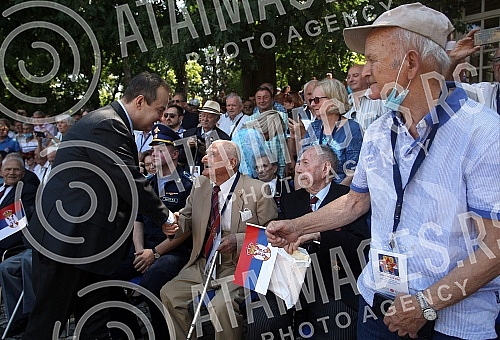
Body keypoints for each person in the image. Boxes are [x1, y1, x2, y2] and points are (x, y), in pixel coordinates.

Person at [267, 3, 500, 339]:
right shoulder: (379, 131)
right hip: (377, 305)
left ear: (410, 64)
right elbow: (354, 202)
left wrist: (427, 303)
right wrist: (296, 226)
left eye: (373, 59)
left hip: (454, 324)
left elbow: (495, 245)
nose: (366, 70)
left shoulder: (484, 133)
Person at [23, 71, 177, 340]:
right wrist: (165, 217)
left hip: (89, 246)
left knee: (94, 320)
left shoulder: (109, 122)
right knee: (49, 323)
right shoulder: (108, 124)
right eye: (160, 109)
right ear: (140, 101)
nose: (161, 118)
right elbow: (129, 179)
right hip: (68, 242)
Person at [247, 145, 369, 339]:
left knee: (339, 327)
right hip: (288, 280)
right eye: (298, 163)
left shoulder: (348, 200)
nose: (298, 169)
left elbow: (361, 247)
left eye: (305, 163)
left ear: (325, 169)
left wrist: (319, 235)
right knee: (261, 322)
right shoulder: (290, 200)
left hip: (332, 281)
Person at [161, 140, 278, 340]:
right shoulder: (200, 185)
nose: (205, 158)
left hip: (242, 263)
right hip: (206, 262)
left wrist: (238, 240)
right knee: (169, 294)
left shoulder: (258, 190)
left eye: (213, 154)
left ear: (231, 162)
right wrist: (172, 225)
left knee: (220, 306)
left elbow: (271, 234)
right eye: (206, 153)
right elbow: (186, 219)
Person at [110, 124, 193, 340]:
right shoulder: (146, 184)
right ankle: (127, 333)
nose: (154, 152)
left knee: (152, 281)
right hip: (144, 249)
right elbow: (137, 220)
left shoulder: (188, 185)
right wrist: (140, 251)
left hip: (173, 252)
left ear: (175, 154)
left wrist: (154, 253)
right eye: (153, 148)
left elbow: (185, 230)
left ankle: (162, 335)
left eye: (161, 148)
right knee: (104, 272)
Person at [0, 154, 40, 337]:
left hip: (12, 243)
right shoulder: (1, 190)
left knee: (7, 267)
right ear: (1, 171)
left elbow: (16, 222)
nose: (11, 173)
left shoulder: (26, 190)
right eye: (8, 169)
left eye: (16, 169)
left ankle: (22, 318)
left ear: (23, 173)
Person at [303, 78, 363, 186]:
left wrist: (331, 197)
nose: (312, 104)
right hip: (311, 191)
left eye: (317, 100)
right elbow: (301, 165)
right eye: (311, 100)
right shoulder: (313, 128)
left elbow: (353, 173)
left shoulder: (352, 129)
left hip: (340, 194)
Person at [183, 100, 230, 169]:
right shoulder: (188, 133)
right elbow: (181, 158)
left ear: (217, 119)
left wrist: (207, 152)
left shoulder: (223, 138)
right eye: (203, 115)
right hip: (190, 174)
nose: (205, 119)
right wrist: (188, 147)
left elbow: (224, 163)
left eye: (209, 117)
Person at [345, 64, 386, 135]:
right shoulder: (344, 102)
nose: (351, 80)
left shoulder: (378, 99)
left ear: (366, 77)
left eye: (355, 76)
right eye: (348, 77)